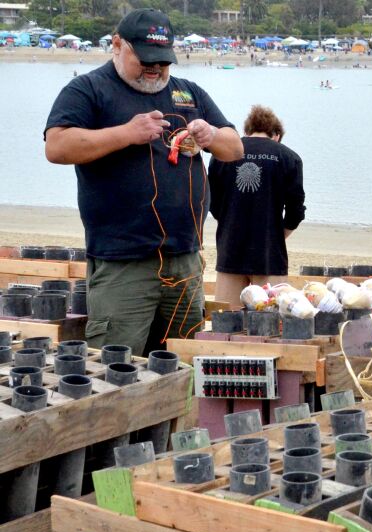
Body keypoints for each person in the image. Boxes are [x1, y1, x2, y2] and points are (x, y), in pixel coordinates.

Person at [44, 8, 243, 355]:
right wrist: (126, 133)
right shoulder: (88, 89)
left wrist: (210, 135)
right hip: (124, 262)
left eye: (163, 61)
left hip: (185, 259)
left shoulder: (189, 93)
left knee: (184, 365)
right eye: (146, 60)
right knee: (115, 368)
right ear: (117, 45)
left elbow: (234, 148)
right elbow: (57, 146)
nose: (155, 69)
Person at [208, 105, 306, 307]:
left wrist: (229, 222)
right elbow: (296, 210)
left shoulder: (221, 156)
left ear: (246, 131)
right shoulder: (289, 158)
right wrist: (280, 233)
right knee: (269, 324)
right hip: (269, 252)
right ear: (276, 135)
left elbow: (212, 201)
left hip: (230, 247)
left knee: (226, 323)